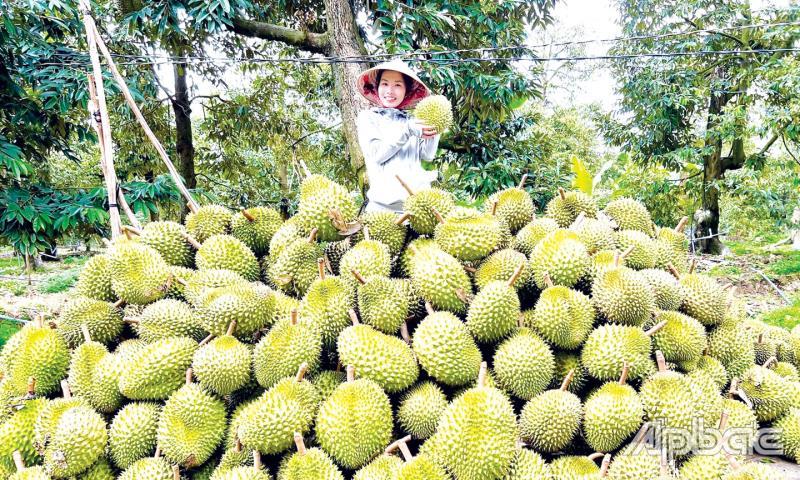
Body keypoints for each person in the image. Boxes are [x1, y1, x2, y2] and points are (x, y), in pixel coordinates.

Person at [356, 59, 441, 214]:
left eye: (397, 85)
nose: (390, 90)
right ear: (377, 87)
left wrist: (435, 126)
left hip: (416, 210)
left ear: (406, 91)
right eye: (385, 84)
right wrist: (407, 131)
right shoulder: (368, 118)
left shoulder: (412, 121)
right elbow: (377, 154)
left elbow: (427, 155)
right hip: (381, 212)